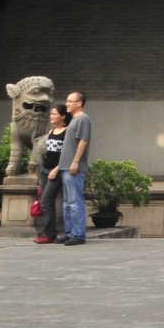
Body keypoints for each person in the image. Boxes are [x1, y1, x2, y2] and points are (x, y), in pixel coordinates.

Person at [57, 89, 92, 246]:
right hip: (66, 166)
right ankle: (70, 232)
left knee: (75, 201)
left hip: (74, 167)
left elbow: (83, 140)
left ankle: (78, 234)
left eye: (70, 101)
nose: (67, 104)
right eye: (67, 101)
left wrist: (75, 161)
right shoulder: (73, 120)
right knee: (67, 202)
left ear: (79, 103)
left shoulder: (83, 119)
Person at [32, 103, 67, 244]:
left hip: (56, 171)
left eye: (54, 114)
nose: (51, 116)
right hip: (45, 170)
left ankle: (49, 233)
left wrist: (56, 169)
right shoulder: (52, 131)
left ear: (63, 116)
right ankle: (49, 232)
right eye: (51, 114)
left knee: (46, 202)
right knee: (46, 202)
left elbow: (66, 155)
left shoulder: (67, 132)